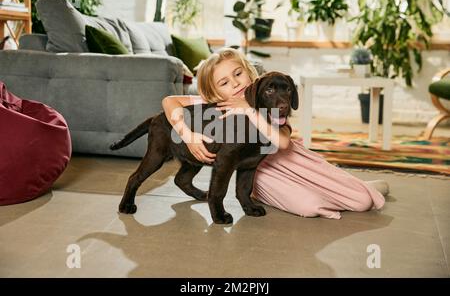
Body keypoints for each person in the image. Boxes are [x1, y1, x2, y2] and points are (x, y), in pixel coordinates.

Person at [162, 48, 388, 219]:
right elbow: (170, 101)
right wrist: (186, 133)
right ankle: (340, 190)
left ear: (250, 73)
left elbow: (282, 143)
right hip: (265, 176)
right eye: (224, 82)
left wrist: (250, 111)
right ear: (214, 93)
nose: (235, 83)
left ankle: (362, 186)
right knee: (309, 207)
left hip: (295, 162)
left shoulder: (267, 101)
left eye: (238, 73)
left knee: (362, 201)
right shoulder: (218, 105)